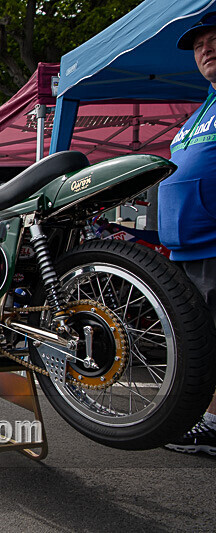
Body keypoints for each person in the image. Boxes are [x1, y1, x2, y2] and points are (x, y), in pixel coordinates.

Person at [160, 13, 216, 455]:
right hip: (185, 250)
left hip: (214, 246)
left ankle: (213, 423)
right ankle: (206, 418)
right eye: (199, 46)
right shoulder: (201, 110)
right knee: (199, 340)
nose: (206, 50)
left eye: (215, 40)